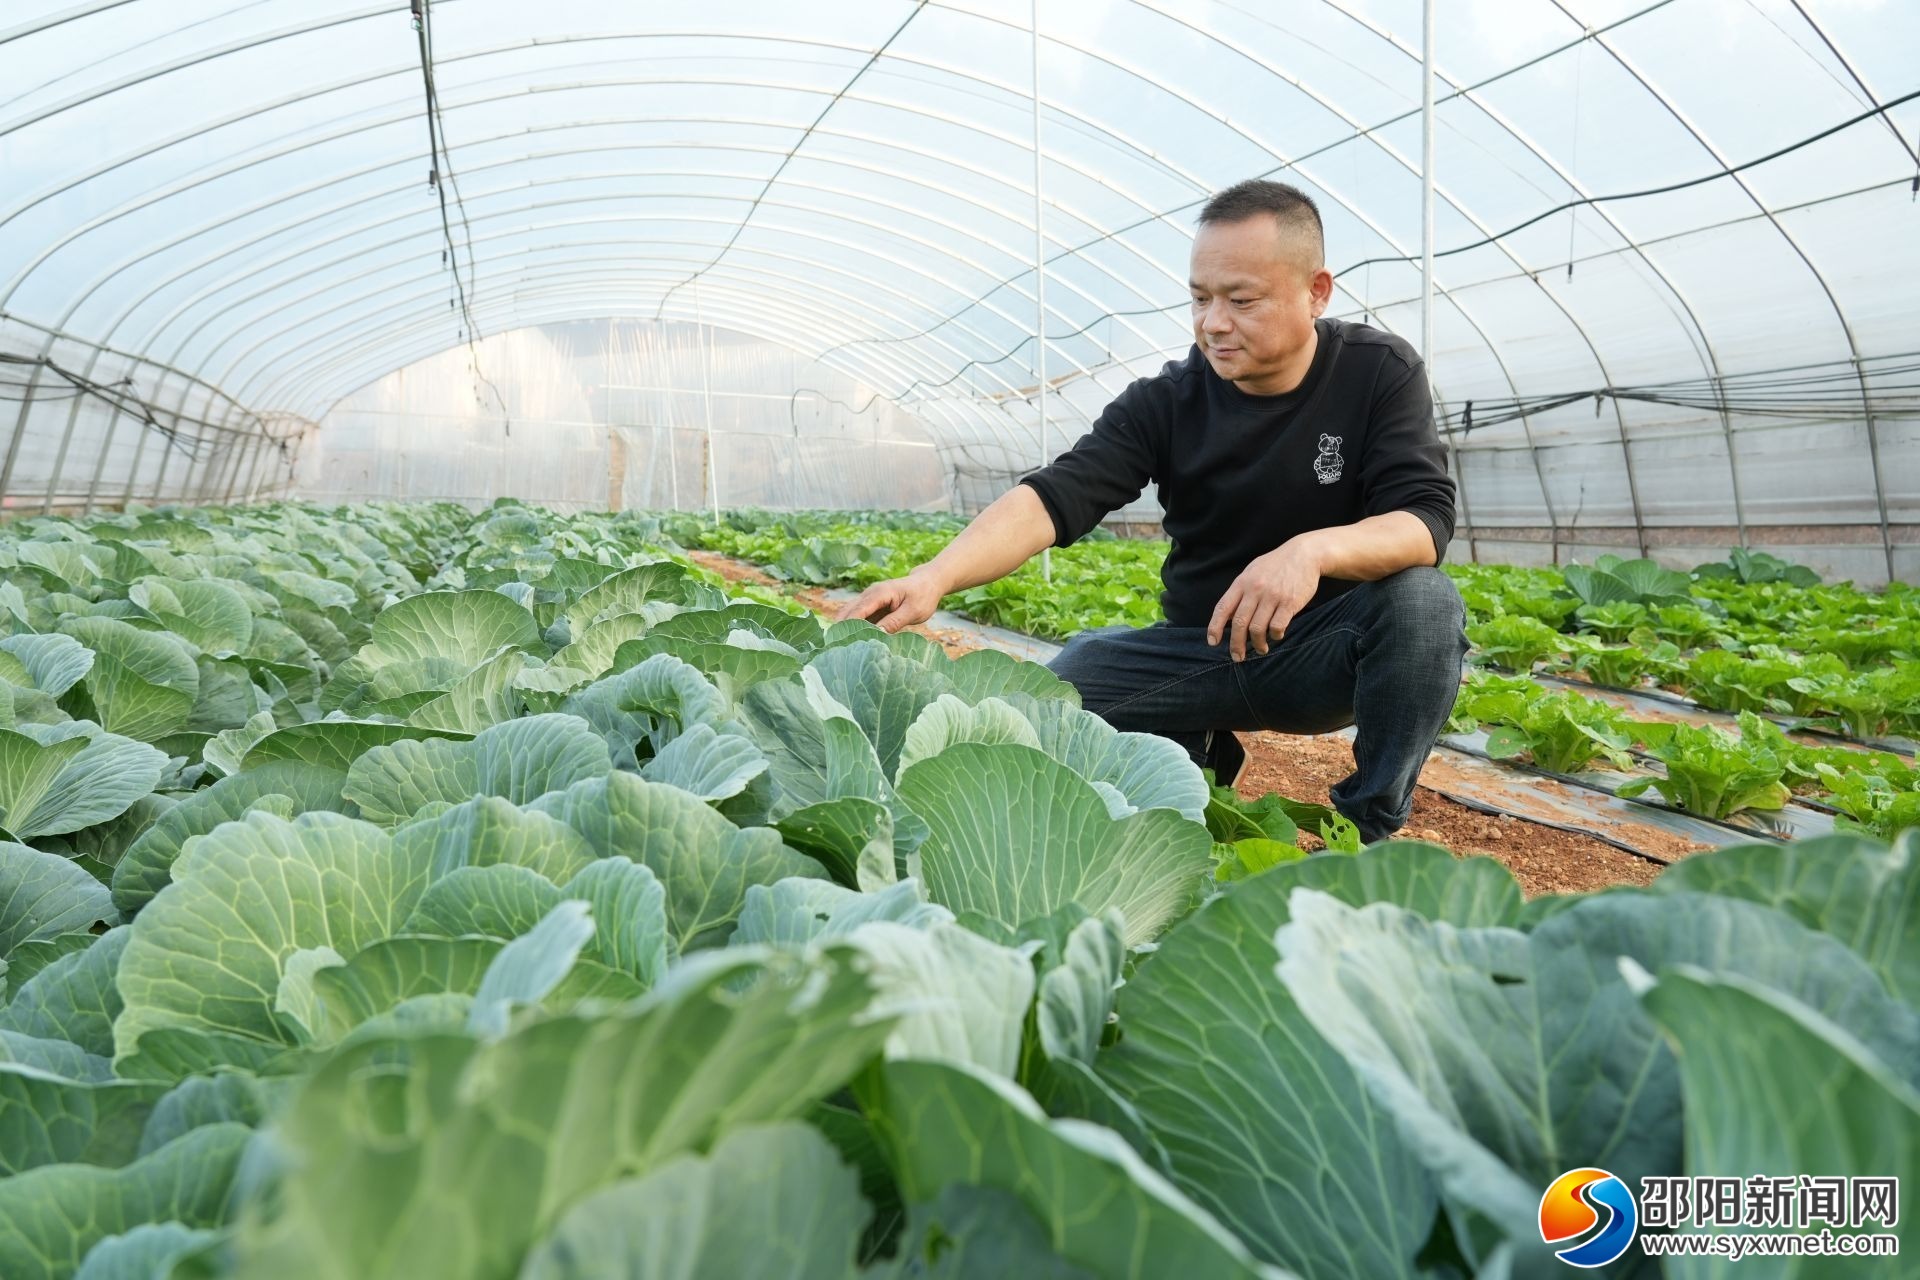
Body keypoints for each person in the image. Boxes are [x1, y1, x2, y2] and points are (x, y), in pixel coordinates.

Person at [836, 178, 1467, 842]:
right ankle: (1196, 752)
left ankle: (1369, 828)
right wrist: (933, 577)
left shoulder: (1377, 371)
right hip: (1202, 654)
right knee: (1062, 694)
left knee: (1424, 603)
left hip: (1323, 654)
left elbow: (1424, 520)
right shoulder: (1167, 400)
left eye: (1241, 300)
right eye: (1200, 298)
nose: (1213, 322)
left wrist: (1310, 551)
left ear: (1316, 292)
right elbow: (1055, 497)